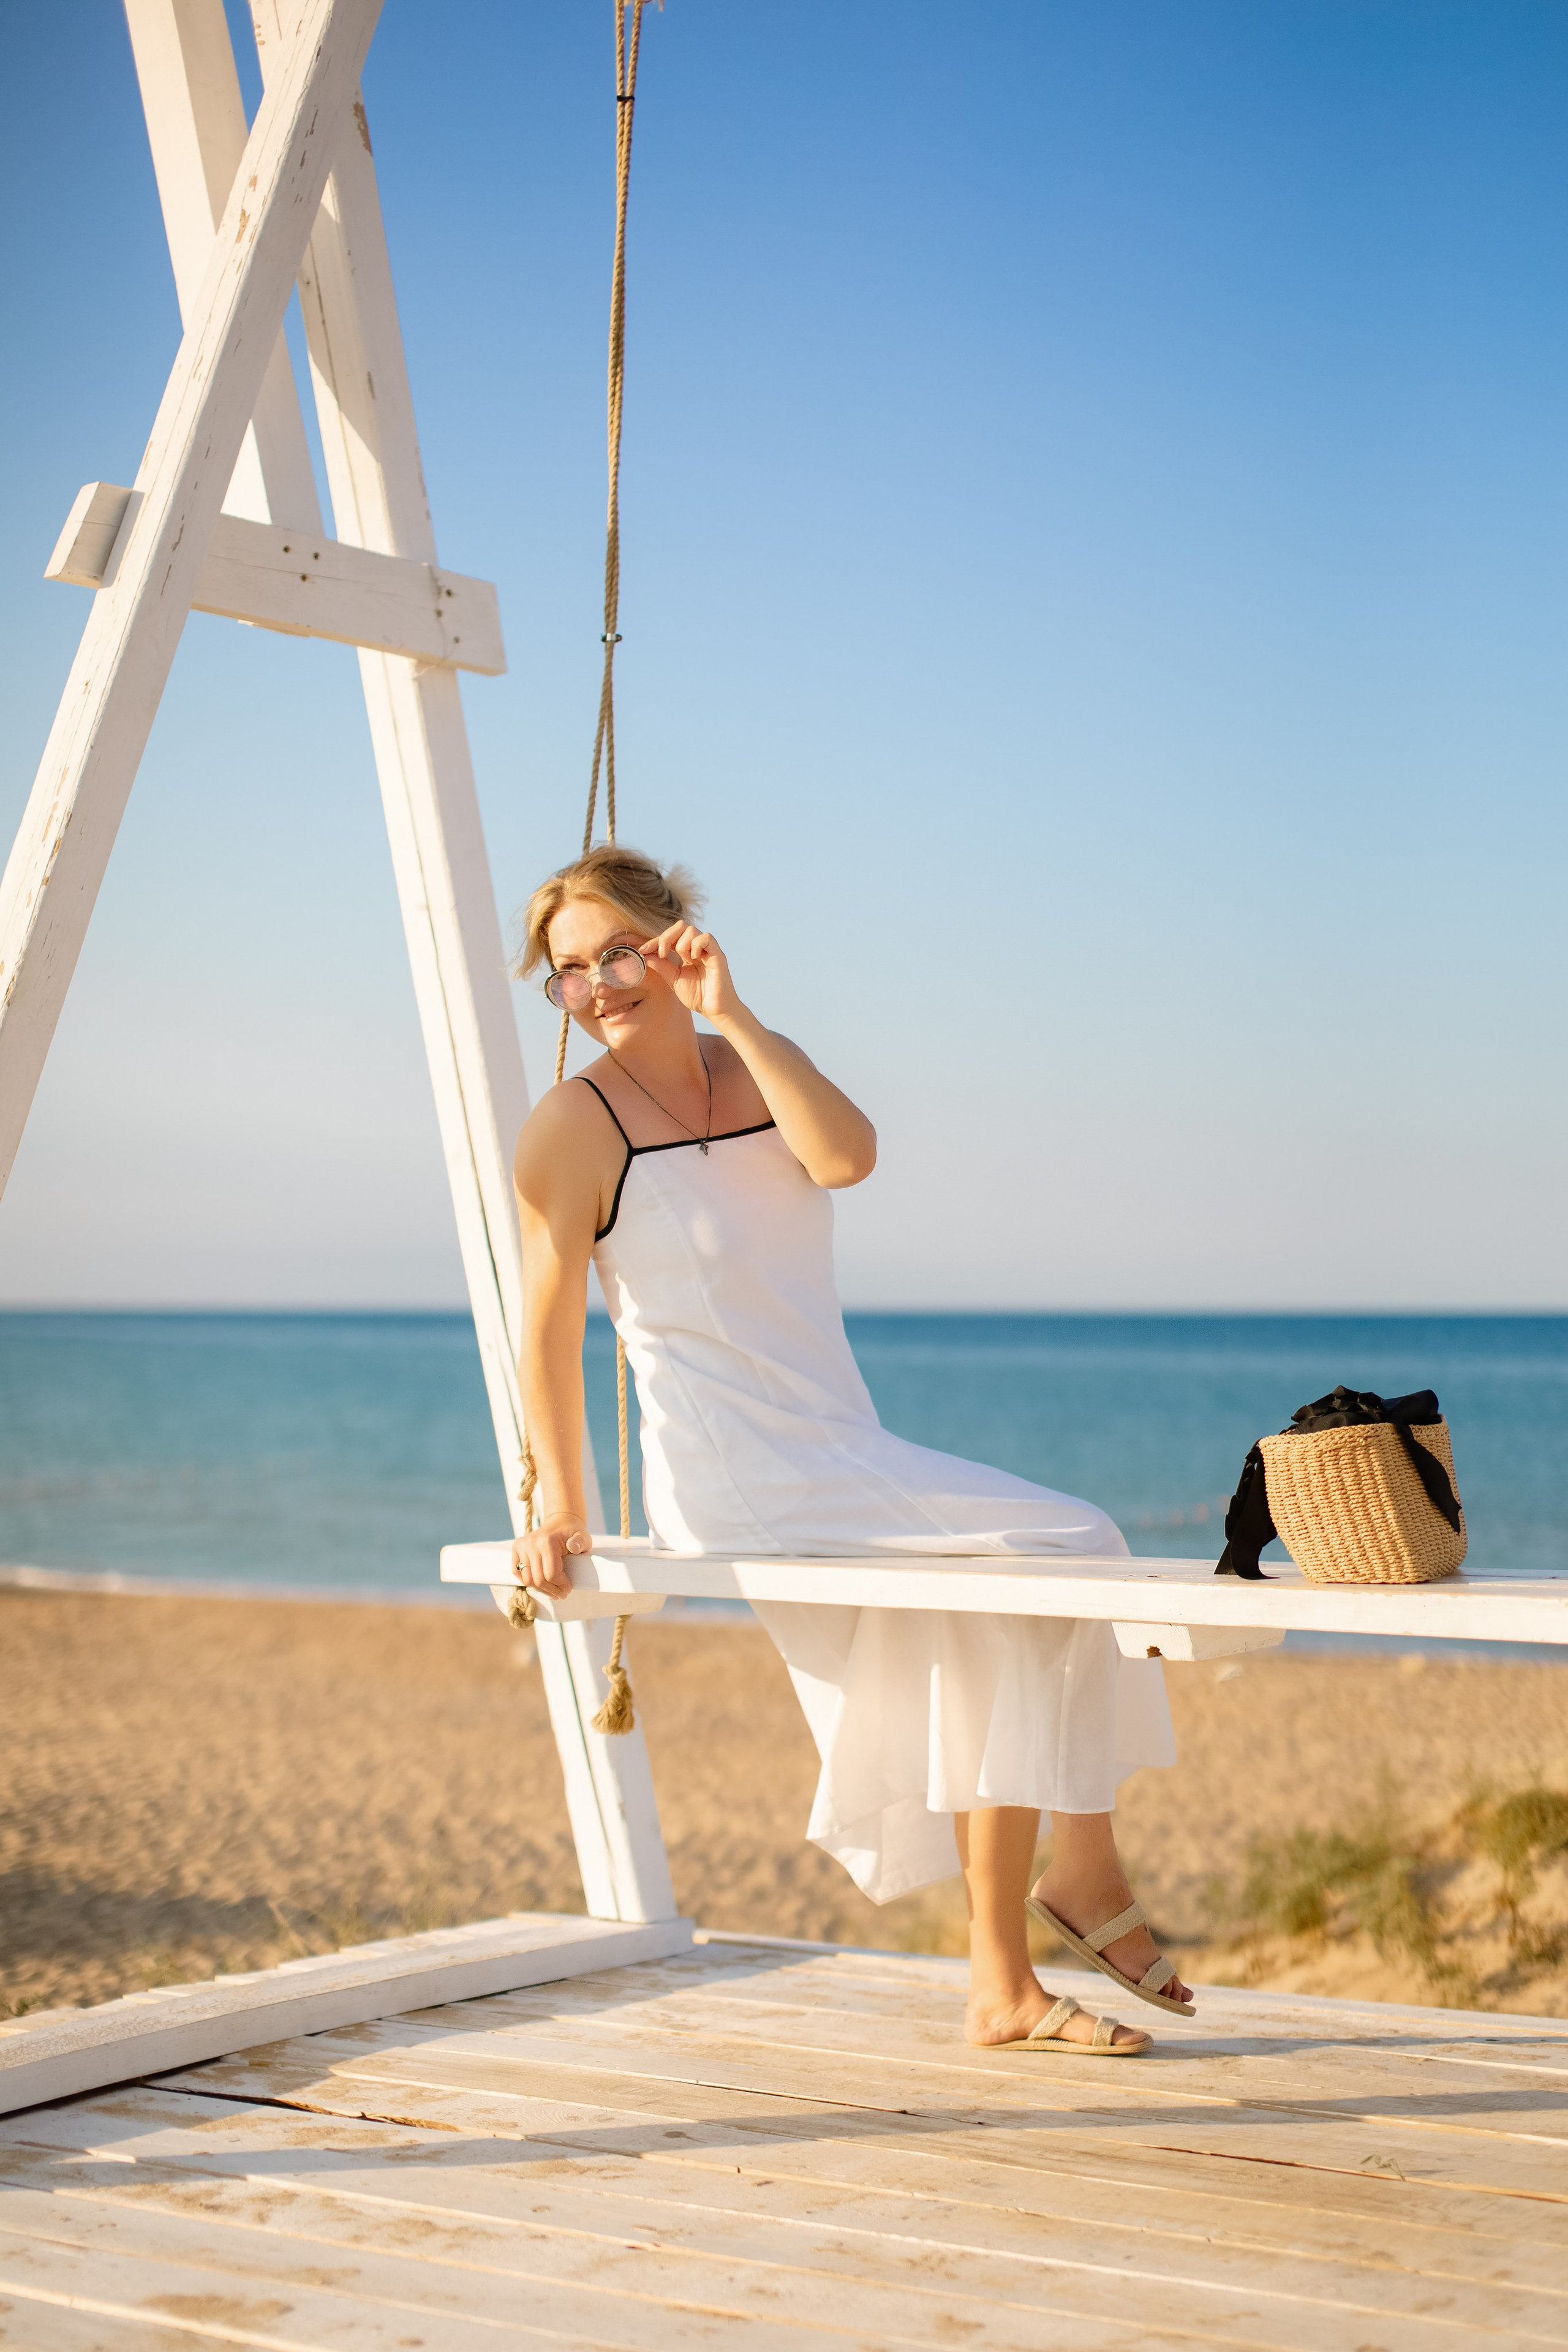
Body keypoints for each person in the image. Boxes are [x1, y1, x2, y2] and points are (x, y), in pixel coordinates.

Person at [510, 845, 1188, 2054]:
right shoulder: (570, 1126)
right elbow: (547, 1330)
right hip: (737, 1472)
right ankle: (1083, 1872)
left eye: (619, 949)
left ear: (675, 938)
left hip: (838, 1442)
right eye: (569, 971)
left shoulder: (756, 1065)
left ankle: (1002, 1986)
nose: (600, 983)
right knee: (1082, 1539)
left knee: (1001, 1626)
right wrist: (559, 1502)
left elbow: (844, 1158)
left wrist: (739, 1015)